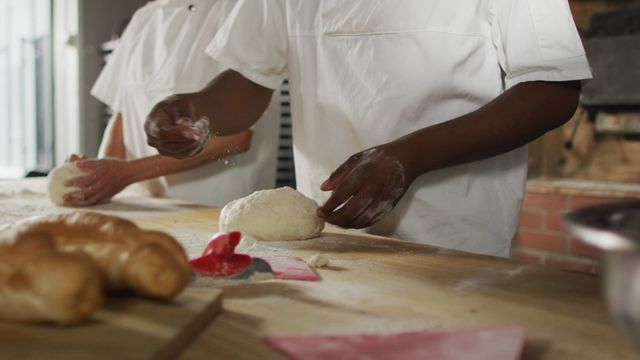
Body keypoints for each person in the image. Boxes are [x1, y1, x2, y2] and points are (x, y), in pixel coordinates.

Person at [144, 0, 591, 257]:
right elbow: (248, 79)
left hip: (458, 249)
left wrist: (410, 156)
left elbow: (550, 90)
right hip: (329, 246)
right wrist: (196, 110)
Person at [63, 0, 280, 207]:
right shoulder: (143, 19)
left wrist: (126, 173)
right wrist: (98, 176)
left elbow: (236, 137)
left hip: (216, 210)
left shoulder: (238, 11)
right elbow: (122, 115)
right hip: (146, 206)